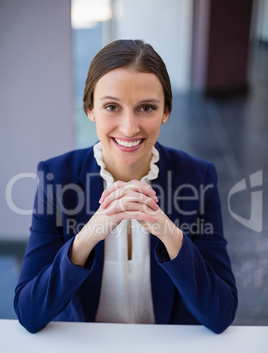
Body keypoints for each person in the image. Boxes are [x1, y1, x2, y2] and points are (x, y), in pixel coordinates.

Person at [14, 39, 237, 334]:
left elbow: (221, 314)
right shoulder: (57, 177)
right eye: (111, 107)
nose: (130, 127)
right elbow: (29, 313)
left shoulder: (198, 178)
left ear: (165, 112)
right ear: (89, 109)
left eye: (146, 107)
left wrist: (168, 233)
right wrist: (89, 235)